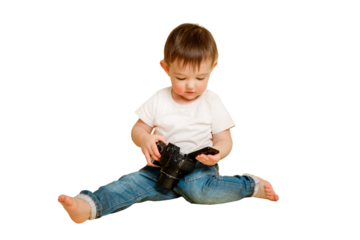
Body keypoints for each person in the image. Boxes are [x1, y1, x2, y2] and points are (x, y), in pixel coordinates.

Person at [57, 20, 280, 226]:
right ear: (165, 68)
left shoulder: (213, 100)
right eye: (181, 78)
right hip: (162, 167)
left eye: (200, 78)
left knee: (199, 191)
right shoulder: (159, 97)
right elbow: (137, 129)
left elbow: (225, 140)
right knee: (130, 182)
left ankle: (250, 185)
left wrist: (218, 154)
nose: (191, 86)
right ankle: (88, 206)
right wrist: (145, 138)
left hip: (198, 168)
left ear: (213, 67)